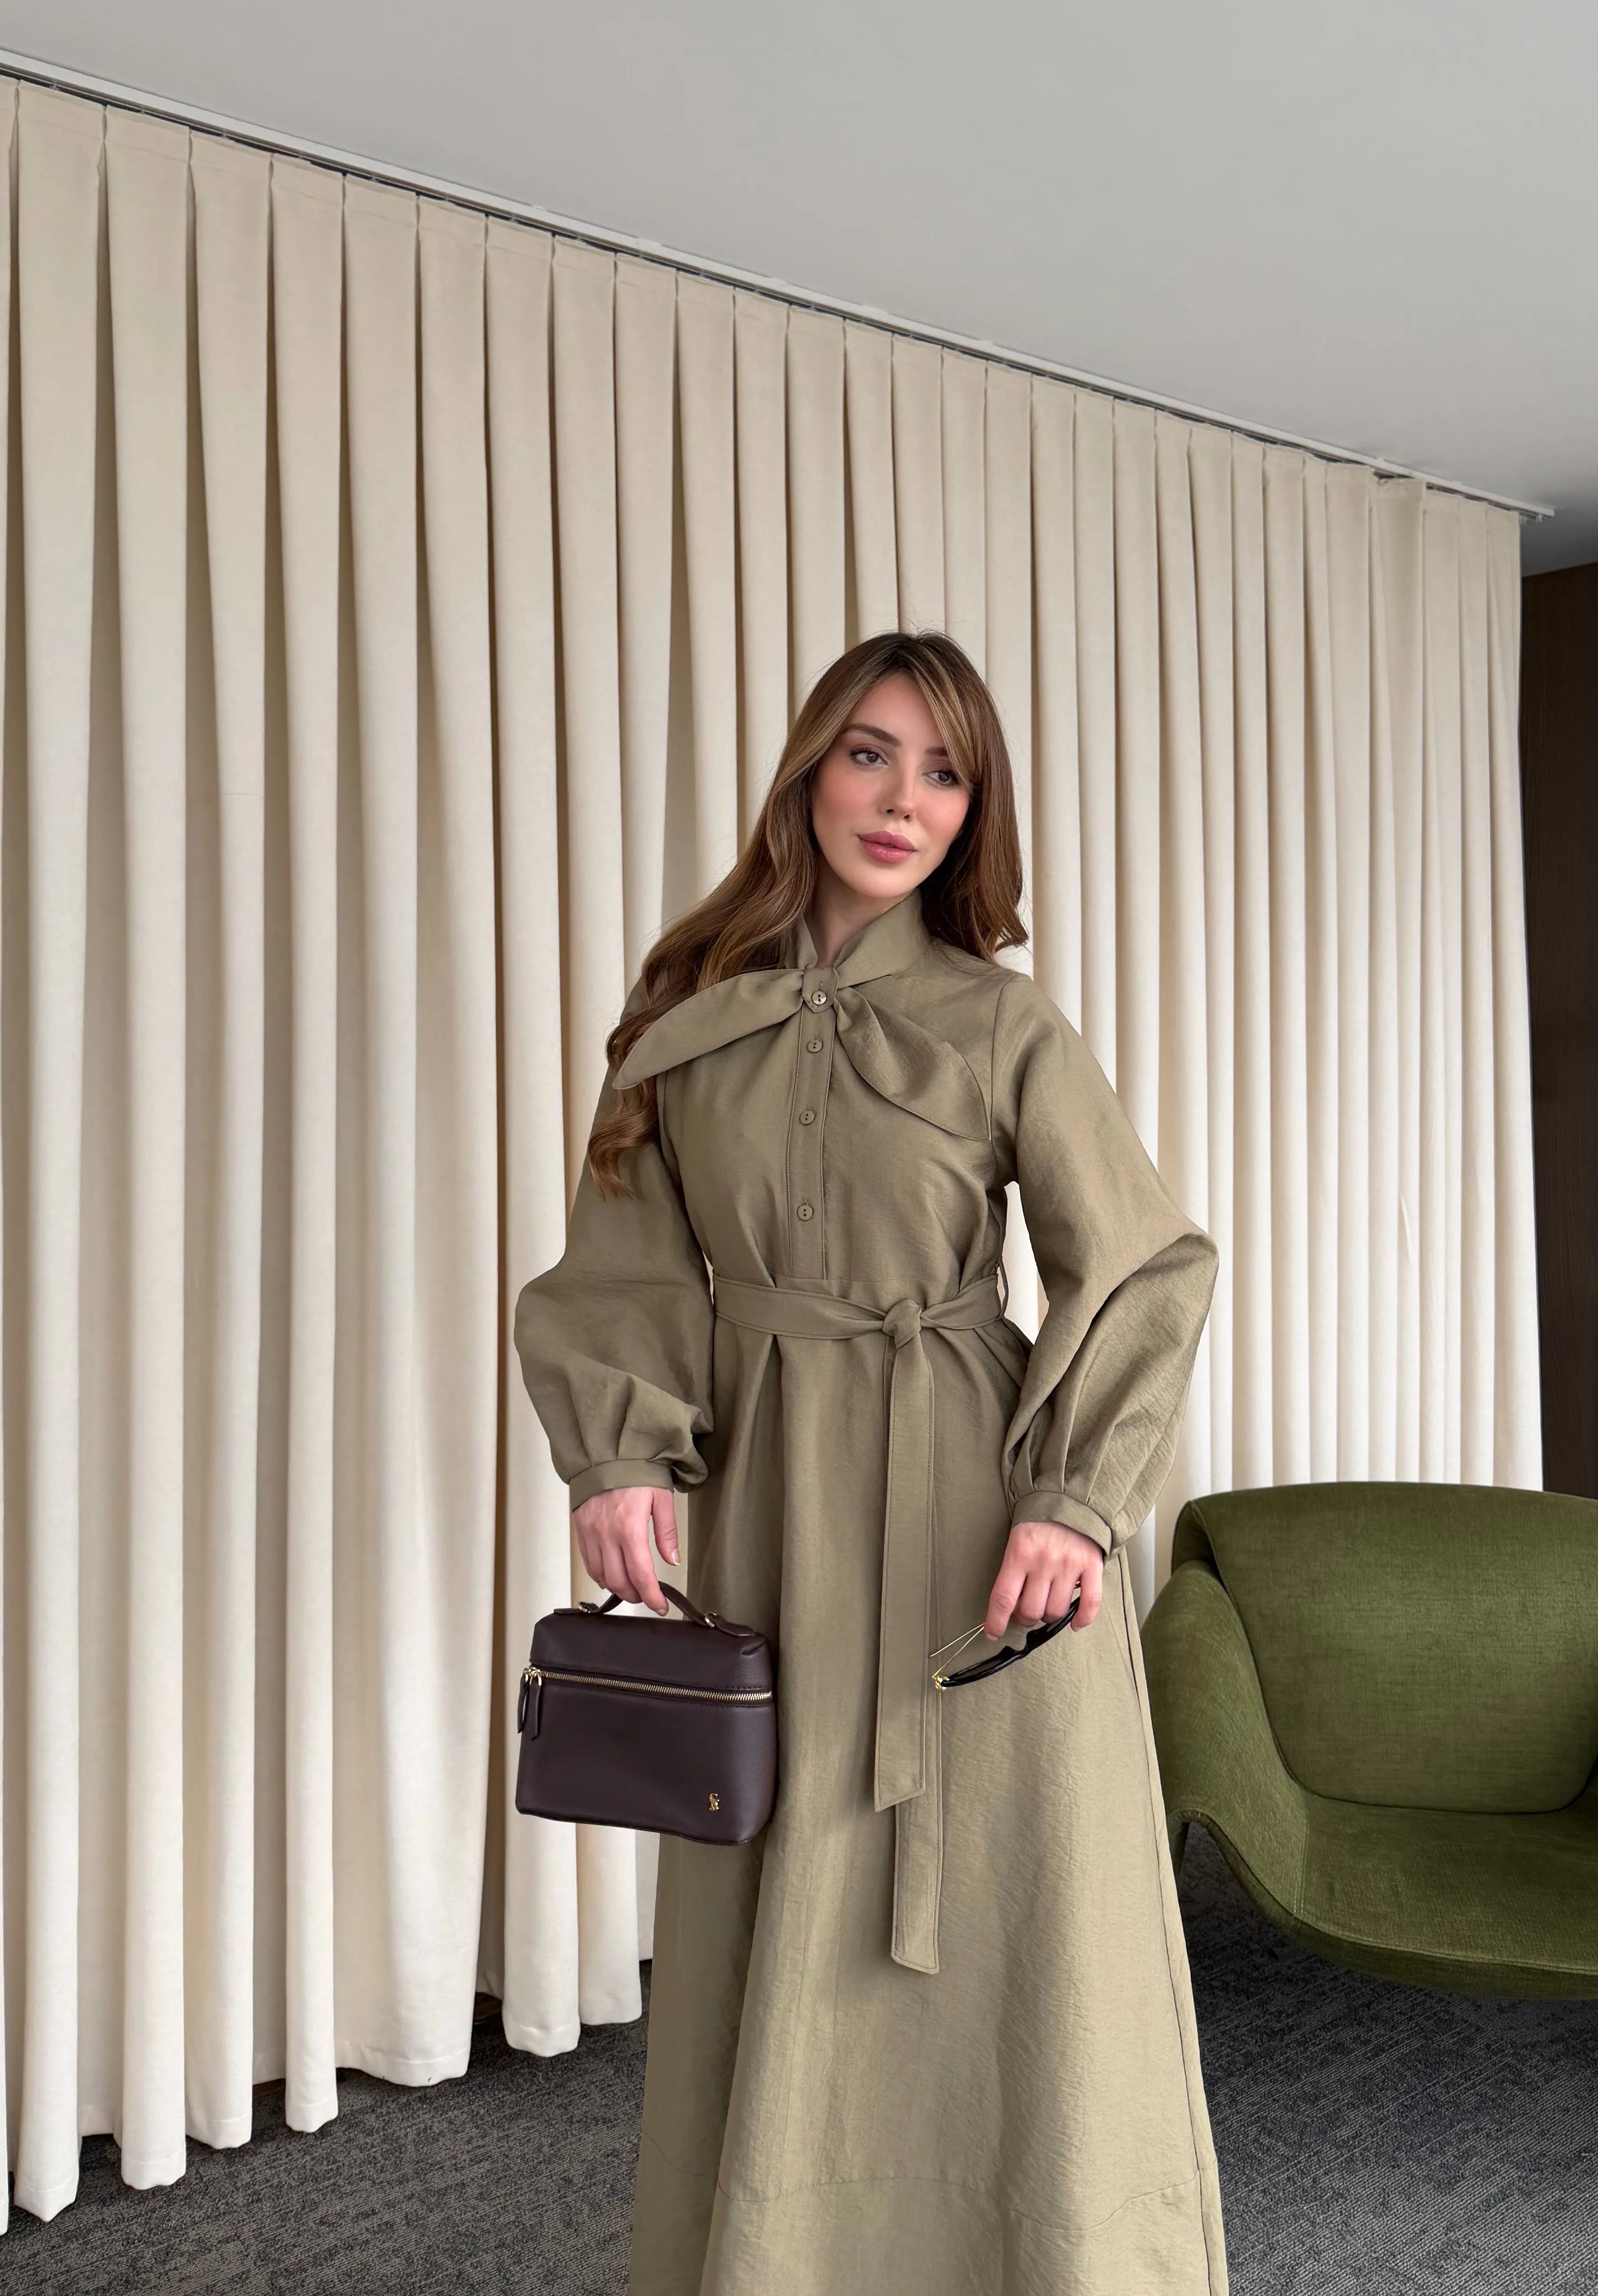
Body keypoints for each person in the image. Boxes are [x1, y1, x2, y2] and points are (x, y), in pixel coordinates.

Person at [513, 628, 1225, 2296]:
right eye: (871, 754)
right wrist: (620, 1459)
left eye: (946, 771)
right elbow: (624, 1263)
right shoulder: (683, 1016)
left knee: (1017, 1920)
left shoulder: (1000, 1020)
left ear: (976, 812)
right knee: (790, 1890)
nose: (906, 799)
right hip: (772, 1508)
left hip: (981, 1523)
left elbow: (1143, 1265)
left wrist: (1073, 1502)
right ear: (808, 772)